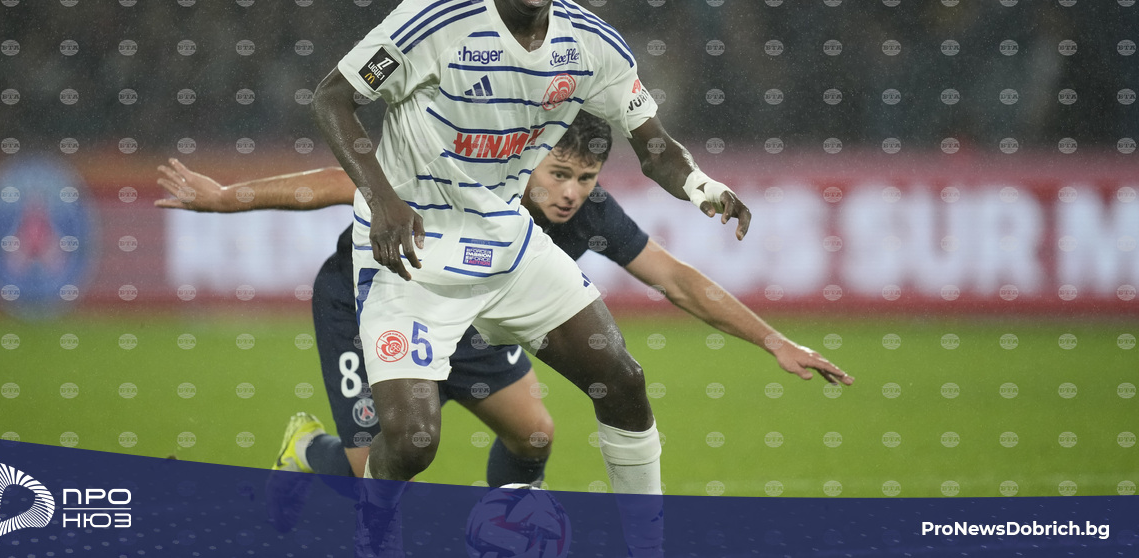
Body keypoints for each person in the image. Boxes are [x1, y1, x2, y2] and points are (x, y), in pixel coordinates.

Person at [156, 111, 853, 533]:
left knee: (535, 433)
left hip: (477, 324)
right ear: (529, 157)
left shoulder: (591, 215)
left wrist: (772, 339)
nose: (571, 193)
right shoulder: (466, 178)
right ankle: (308, 452)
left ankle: (509, 530)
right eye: (559, 173)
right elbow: (341, 182)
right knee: (385, 461)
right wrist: (228, 197)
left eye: (585, 178)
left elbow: (674, 279)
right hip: (372, 302)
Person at [310, 0, 757, 555]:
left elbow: (653, 144)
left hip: (509, 248)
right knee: (412, 444)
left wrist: (703, 186)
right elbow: (333, 98)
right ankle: (373, 532)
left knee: (621, 380)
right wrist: (383, 201)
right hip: (411, 255)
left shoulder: (591, 44)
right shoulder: (433, 19)